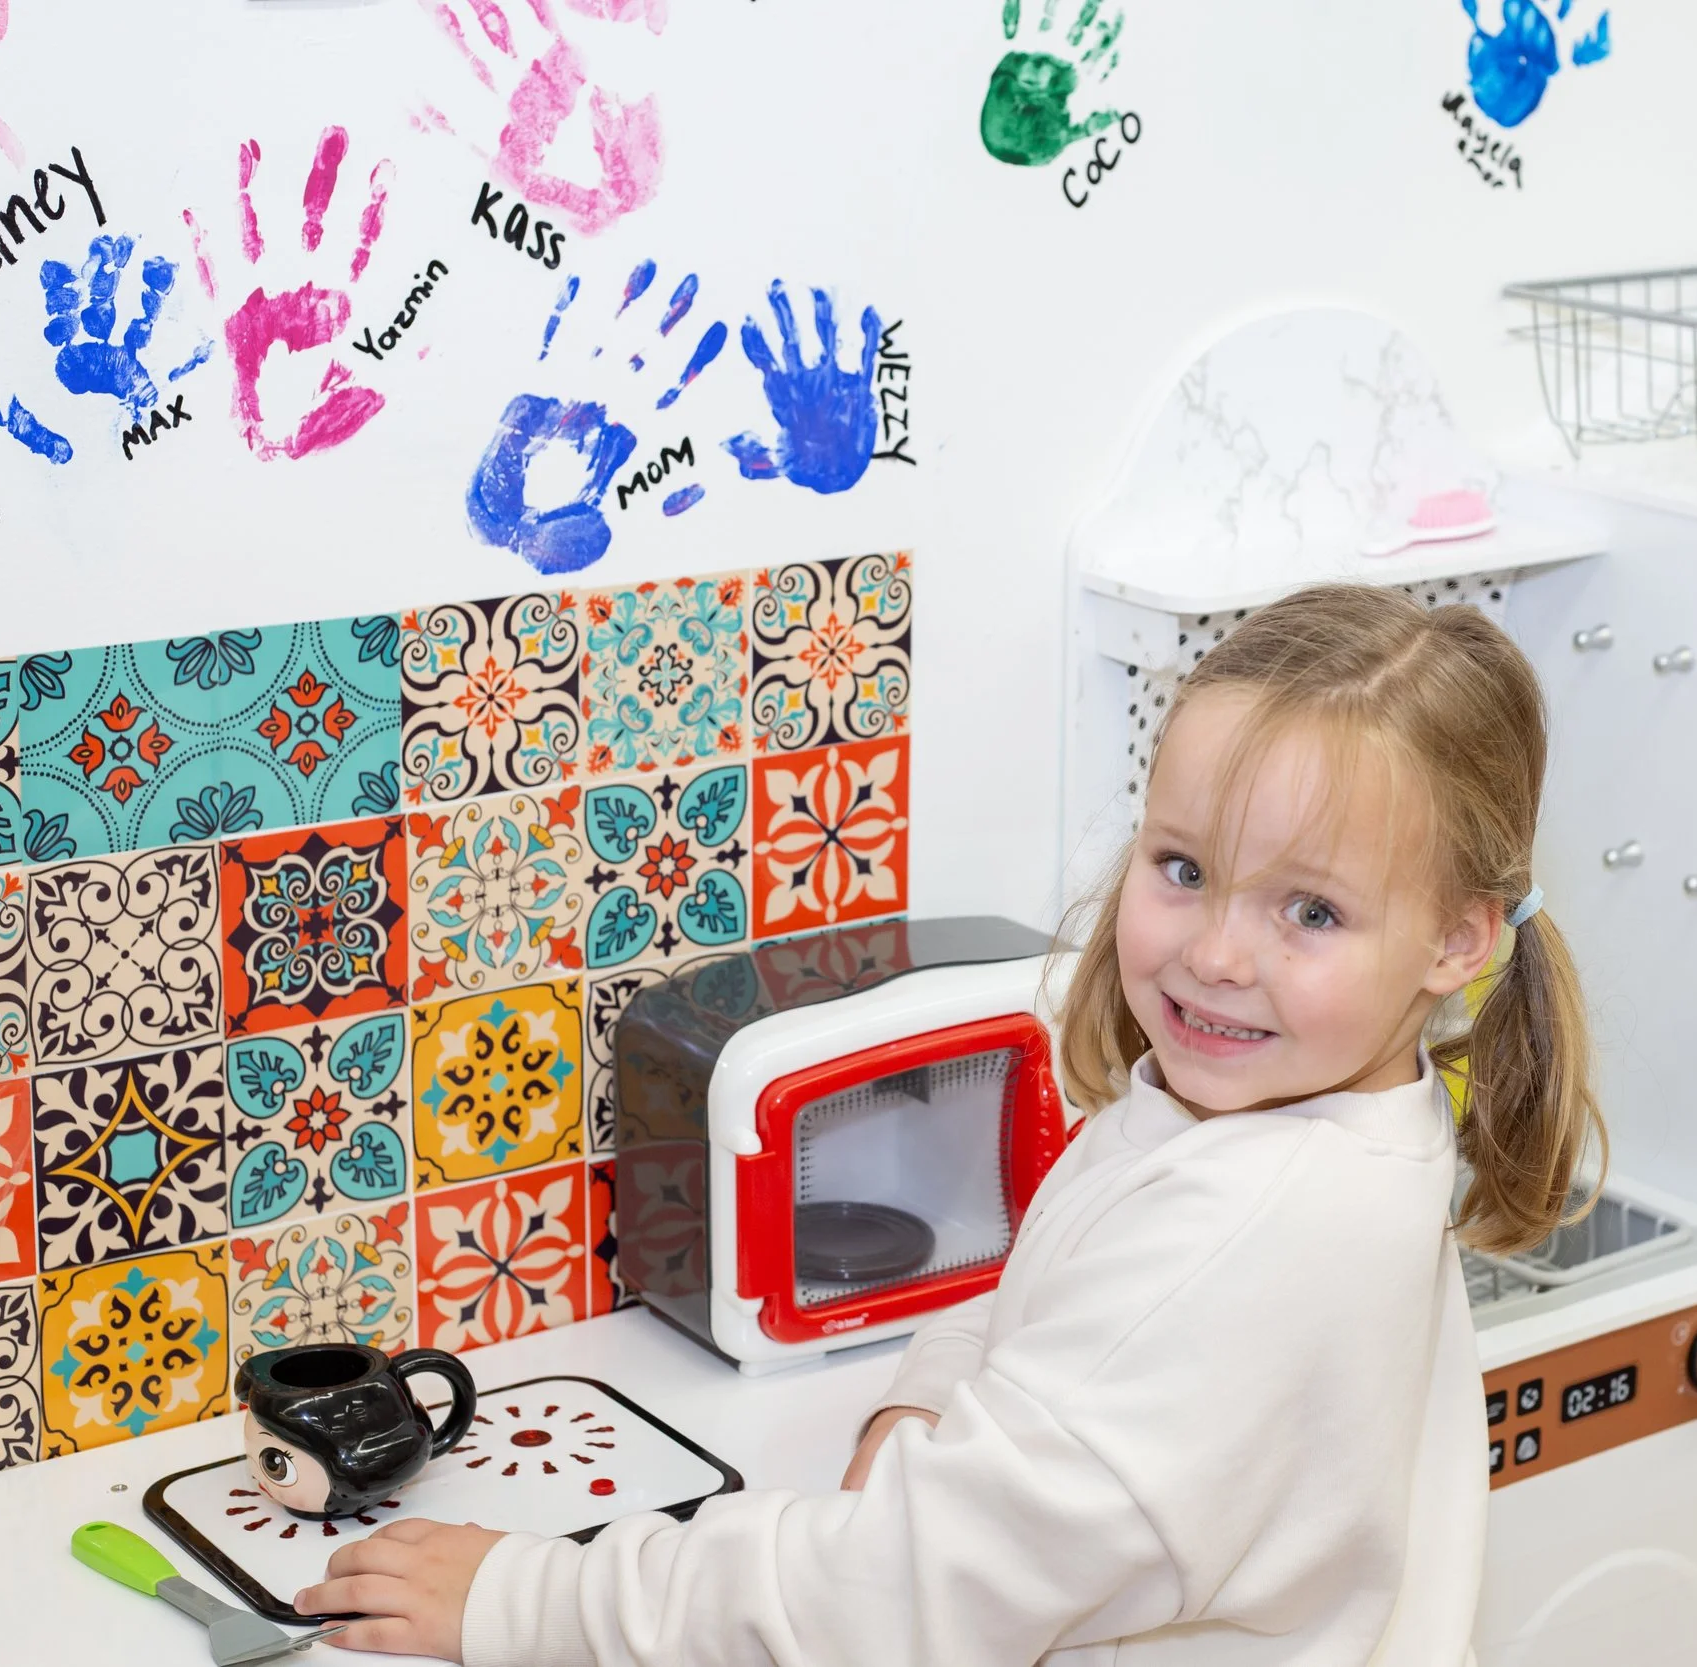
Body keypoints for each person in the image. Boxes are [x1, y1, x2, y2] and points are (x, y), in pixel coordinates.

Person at [295, 581, 1603, 1666]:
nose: (1216, 952)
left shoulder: (1254, 1223)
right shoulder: (1295, 1100)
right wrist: (922, 1403)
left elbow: (893, 1595)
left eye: (1309, 909)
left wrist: (529, 1600)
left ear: (1455, 938)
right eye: (1185, 869)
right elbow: (1062, 1284)